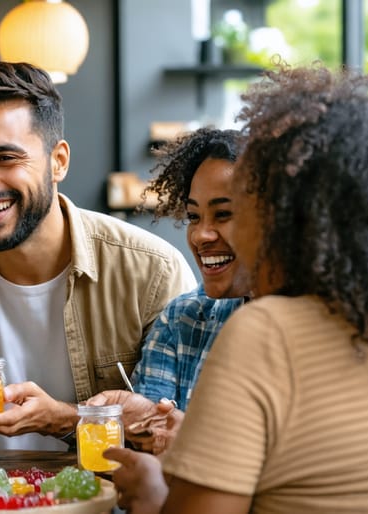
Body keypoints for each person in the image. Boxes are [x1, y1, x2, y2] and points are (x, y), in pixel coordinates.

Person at [108, 64, 368, 513]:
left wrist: (154, 494)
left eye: (241, 211)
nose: (218, 235)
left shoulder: (267, 332)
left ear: (294, 221)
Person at [0, 61, 196, 451]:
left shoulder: (152, 272)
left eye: (6, 158)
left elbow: (180, 439)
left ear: (59, 162)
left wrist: (63, 420)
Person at [88, 127, 250, 455]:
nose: (202, 235)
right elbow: (151, 448)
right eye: (193, 216)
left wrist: (188, 439)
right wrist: (141, 417)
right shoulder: (182, 318)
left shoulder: (319, 331)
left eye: (224, 214)